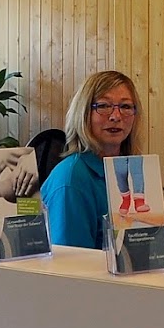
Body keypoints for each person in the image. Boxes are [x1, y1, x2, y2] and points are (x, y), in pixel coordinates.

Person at [41, 70, 142, 249]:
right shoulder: (71, 179)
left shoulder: (129, 169)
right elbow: (72, 262)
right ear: (84, 113)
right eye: (103, 106)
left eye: (126, 107)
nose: (116, 116)